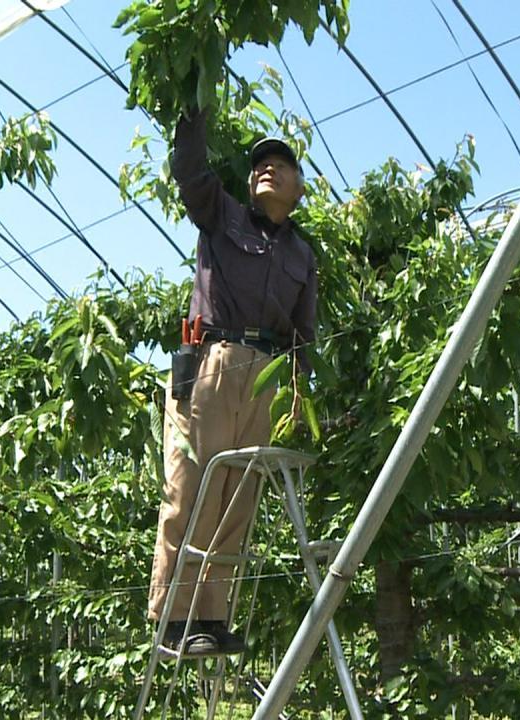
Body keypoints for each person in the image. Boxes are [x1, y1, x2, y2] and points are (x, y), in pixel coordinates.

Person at [147, 106, 317, 656]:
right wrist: (192, 109)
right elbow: (190, 172)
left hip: (264, 375)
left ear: (299, 187)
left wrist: (296, 392)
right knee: (192, 490)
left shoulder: (301, 254)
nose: (267, 169)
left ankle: (213, 617)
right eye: (259, 165)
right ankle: (174, 620)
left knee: (238, 497)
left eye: (279, 165)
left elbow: (304, 335)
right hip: (214, 359)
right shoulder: (224, 216)